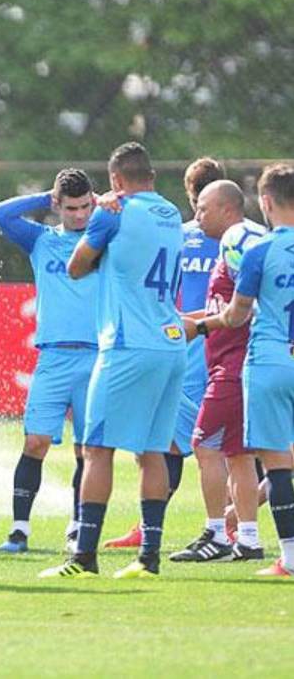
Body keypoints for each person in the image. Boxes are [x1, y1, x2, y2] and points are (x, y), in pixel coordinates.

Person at [41, 142, 186, 579]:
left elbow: (76, 266)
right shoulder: (173, 214)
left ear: (117, 181)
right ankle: (149, 557)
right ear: (152, 178)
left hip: (127, 343)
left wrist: (105, 212)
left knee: (96, 448)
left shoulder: (112, 212)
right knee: (152, 451)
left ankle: (83, 556)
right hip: (171, 341)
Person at [103, 157, 223, 549]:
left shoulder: (215, 237)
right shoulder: (179, 231)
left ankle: (227, 528)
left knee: (203, 444)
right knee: (177, 441)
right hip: (194, 343)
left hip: (195, 343)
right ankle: (226, 527)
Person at [187, 163, 294, 577]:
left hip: (267, 362)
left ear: (265, 202)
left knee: (276, 463)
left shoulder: (258, 252)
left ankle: (287, 558)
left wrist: (199, 324)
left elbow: (236, 315)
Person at [0, 169, 98, 553]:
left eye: (86, 206)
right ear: (59, 206)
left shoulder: (103, 239)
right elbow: (0, 214)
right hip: (53, 357)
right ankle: (19, 529)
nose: (81, 215)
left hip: (96, 357)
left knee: (88, 450)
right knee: (35, 442)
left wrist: (108, 206)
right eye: (72, 208)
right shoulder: (42, 240)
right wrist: (43, 197)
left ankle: (77, 526)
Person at [170, 180, 269, 562]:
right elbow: (222, 304)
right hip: (232, 362)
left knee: (203, 445)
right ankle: (247, 537)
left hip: (235, 364)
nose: (197, 216)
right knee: (238, 456)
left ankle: (216, 534)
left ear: (229, 210)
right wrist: (188, 321)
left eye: (204, 209)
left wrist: (204, 327)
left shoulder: (241, 240)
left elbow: (251, 308)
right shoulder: (235, 241)